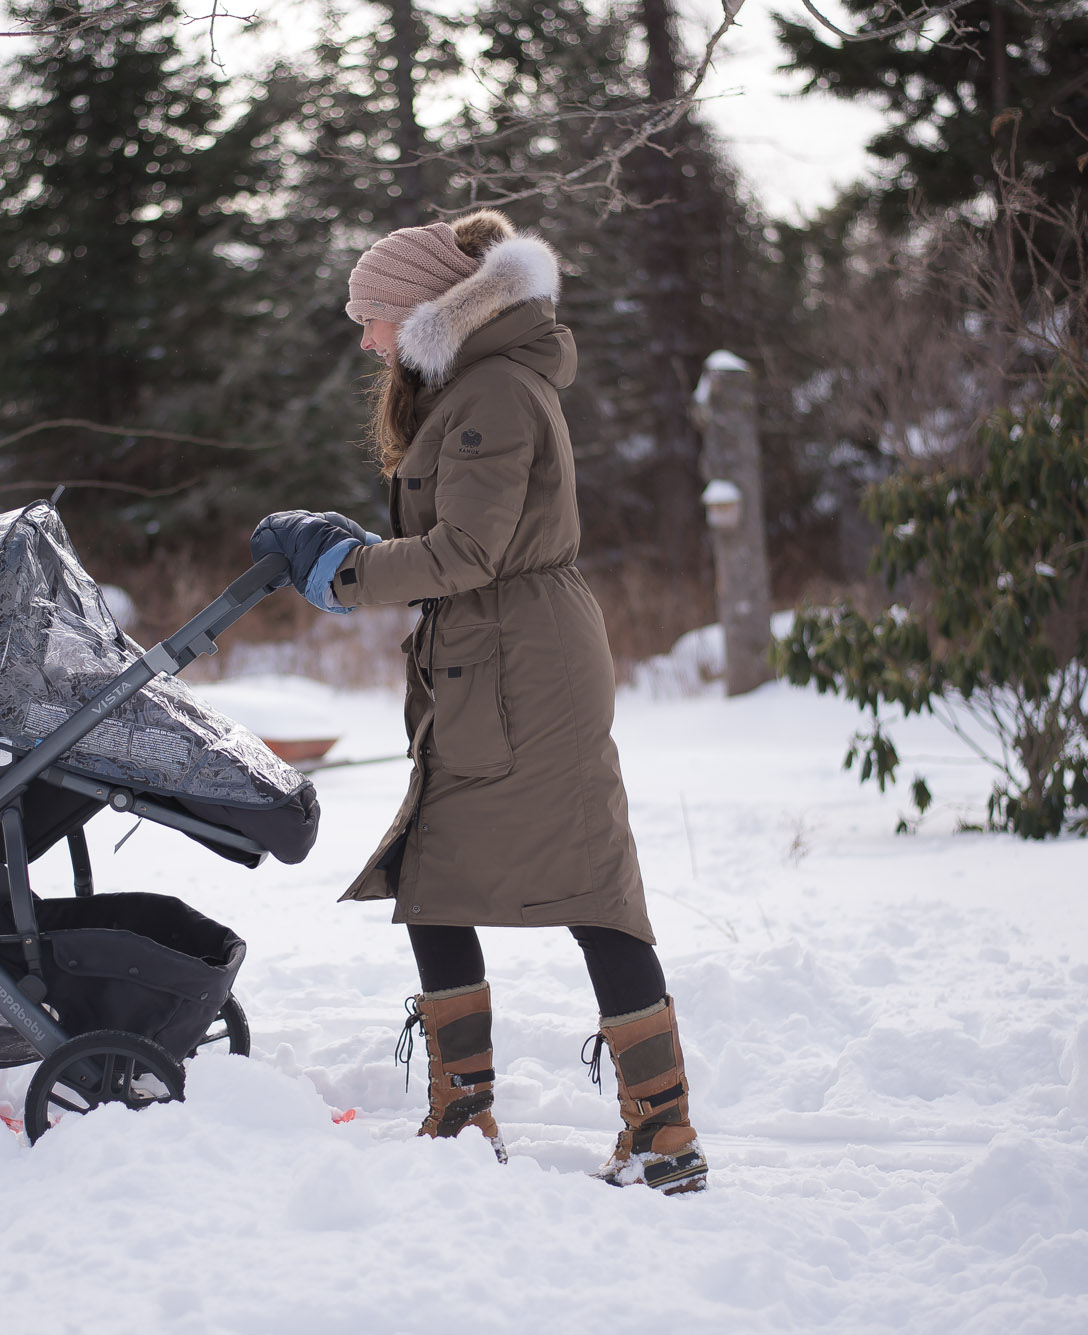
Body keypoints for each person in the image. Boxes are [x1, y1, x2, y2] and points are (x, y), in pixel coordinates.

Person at [249, 210, 706, 1195]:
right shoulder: (474, 385)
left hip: (519, 667)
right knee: (441, 875)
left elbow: (469, 553)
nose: (362, 336)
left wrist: (342, 573)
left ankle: (660, 1134)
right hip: (491, 660)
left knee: (585, 883)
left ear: (419, 311)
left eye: (369, 316)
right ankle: (468, 1114)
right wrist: (351, 547)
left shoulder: (491, 392)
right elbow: (462, 535)